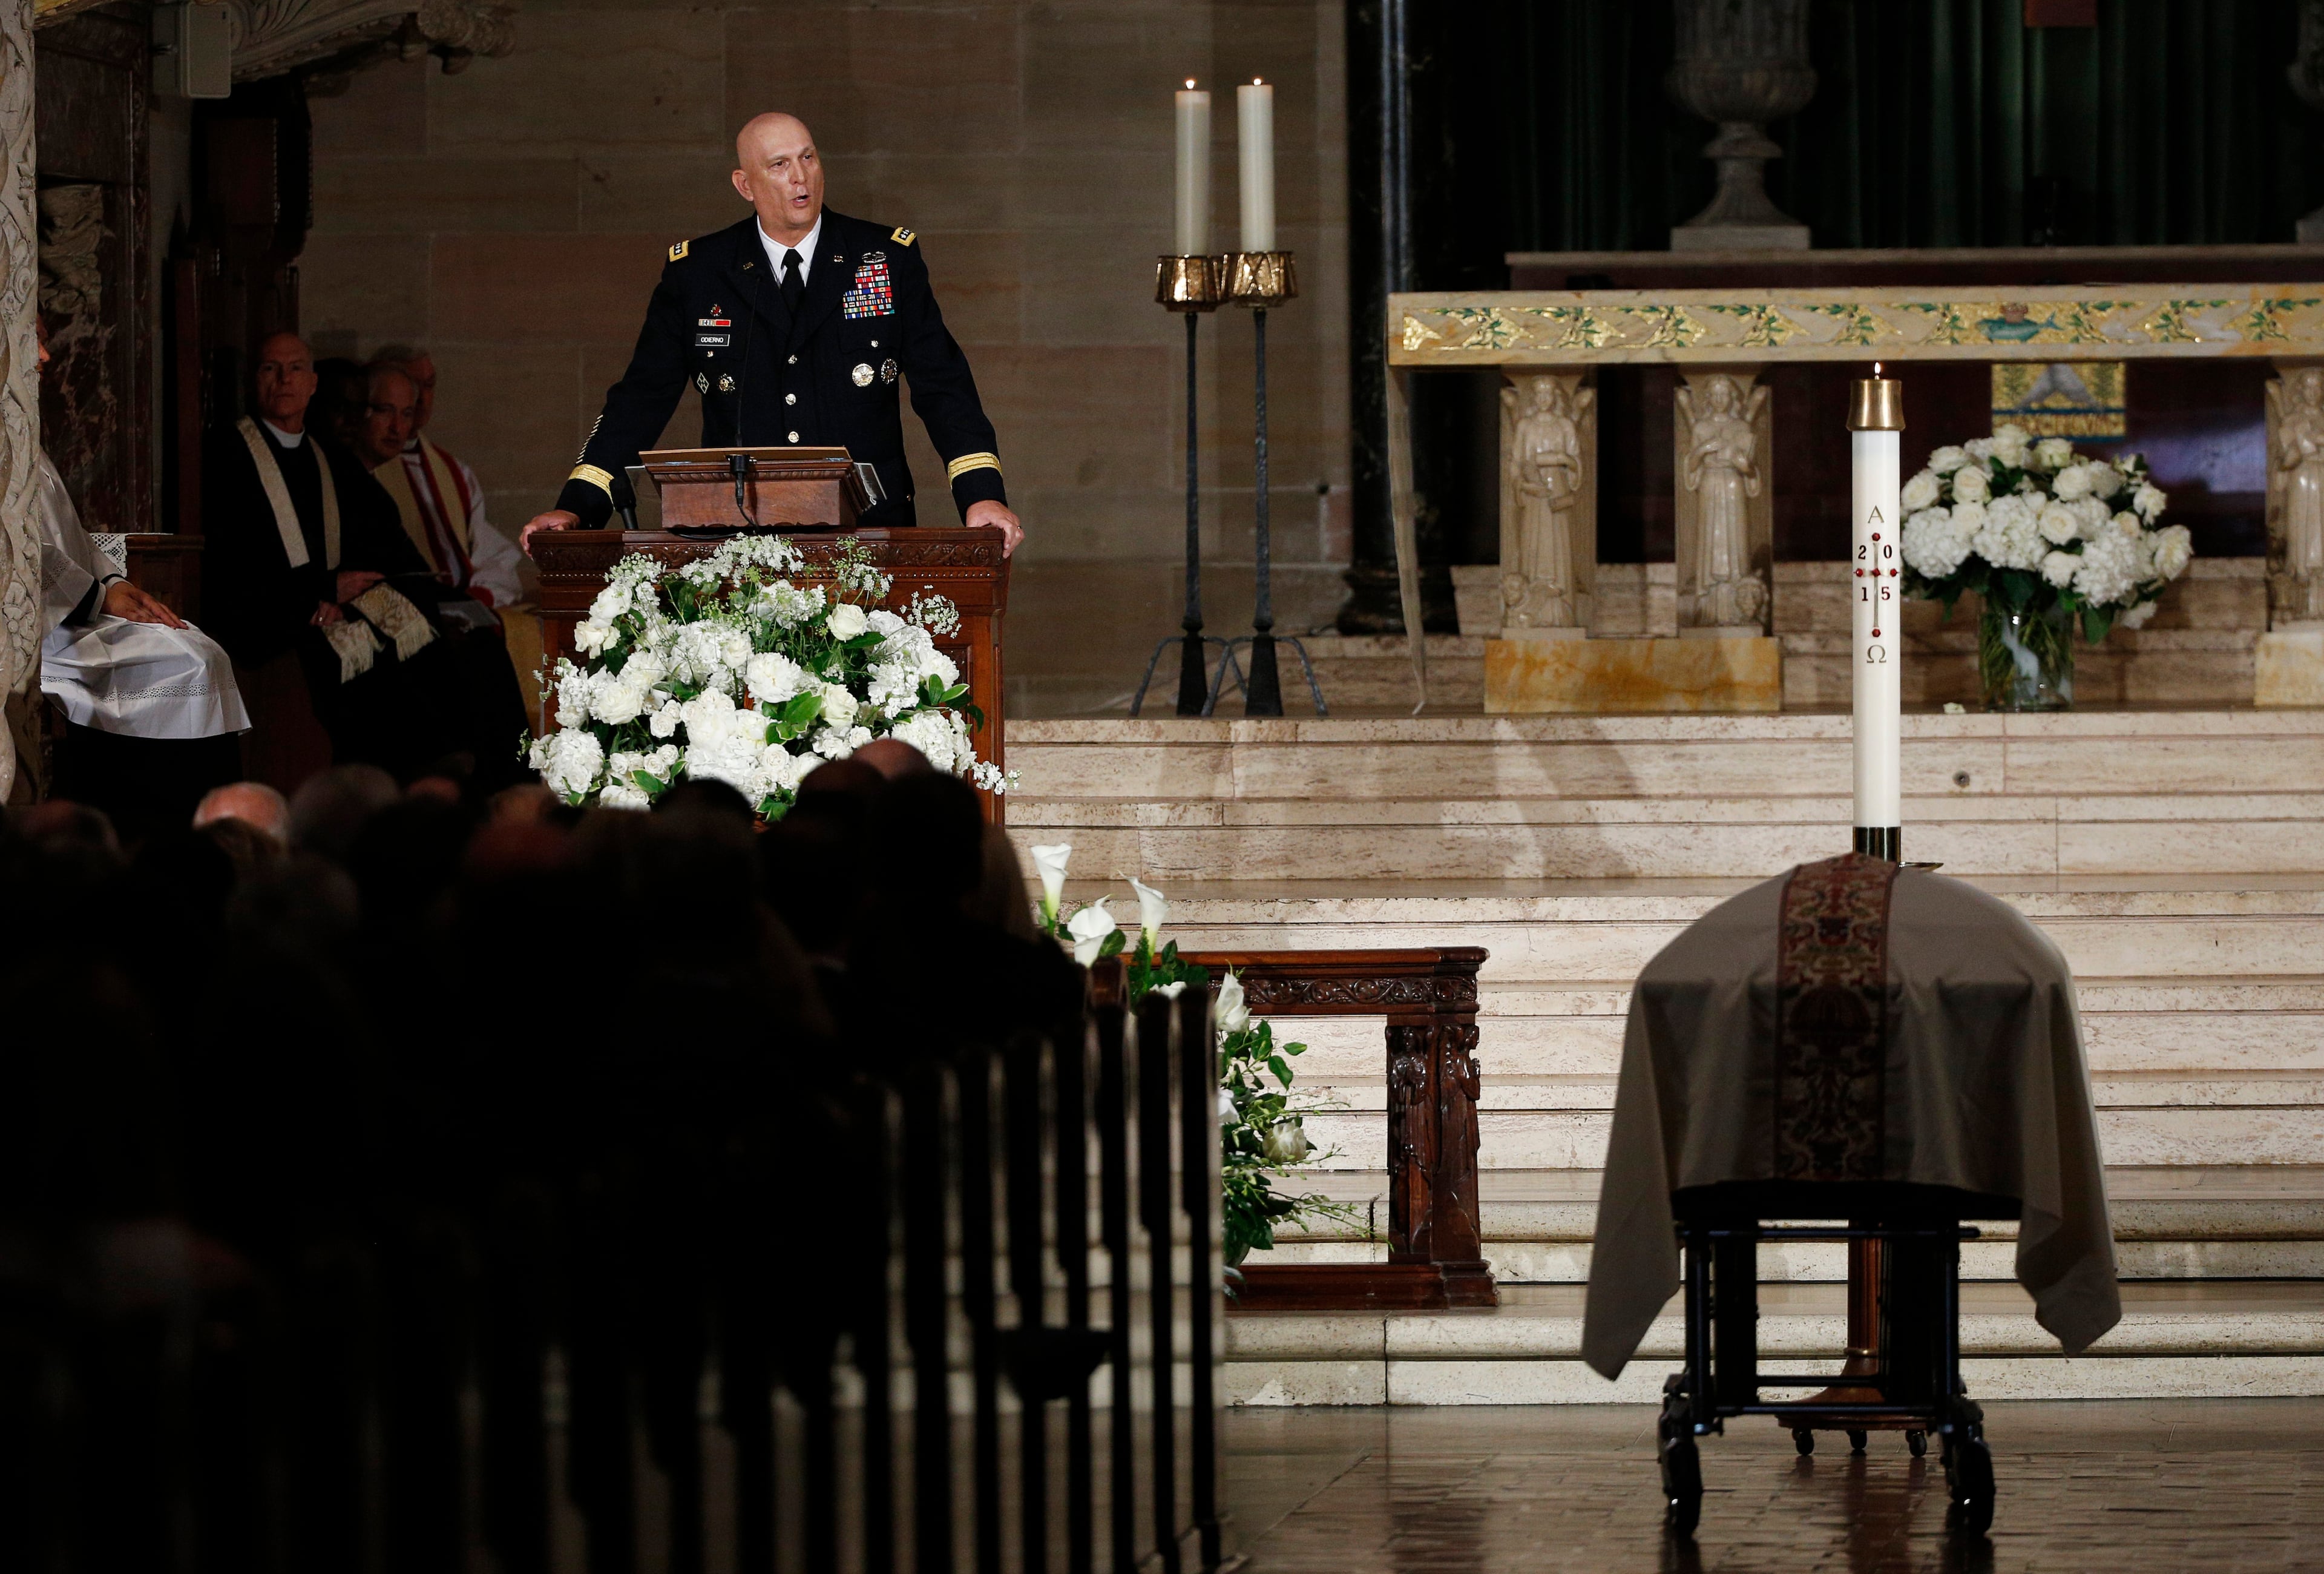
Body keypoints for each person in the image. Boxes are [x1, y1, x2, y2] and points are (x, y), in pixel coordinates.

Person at [519, 112, 1023, 557]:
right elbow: (640, 400)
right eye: (779, 165)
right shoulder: (699, 273)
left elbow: (945, 387)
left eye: (809, 158)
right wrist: (577, 507)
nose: (800, 177)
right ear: (745, 184)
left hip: (870, 536)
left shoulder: (886, 258)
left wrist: (982, 494)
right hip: (737, 541)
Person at [202, 333, 521, 785]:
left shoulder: (326, 456)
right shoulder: (229, 453)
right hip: (272, 612)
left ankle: (467, 769)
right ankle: (403, 774)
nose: (283, 380)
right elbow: (236, 556)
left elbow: (381, 542)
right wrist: (322, 591)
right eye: (270, 369)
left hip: (334, 600)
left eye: (295, 369)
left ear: (312, 384)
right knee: (372, 658)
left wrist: (354, 590)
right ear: (254, 381)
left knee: (448, 638)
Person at [33, 323, 248, 838]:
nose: (44, 356)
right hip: (41, 629)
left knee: (194, 645)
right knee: (185, 663)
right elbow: (17, 552)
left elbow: (69, 532)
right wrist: (96, 594)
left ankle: (204, 830)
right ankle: (155, 829)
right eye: (30, 339)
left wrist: (111, 580)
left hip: (71, 609)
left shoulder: (20, 432)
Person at [364, 347, 525, 610]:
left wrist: (476, 598)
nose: (422, 399)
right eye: (413, 385)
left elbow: (492, 557)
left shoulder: (453, 472)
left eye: (429, 386)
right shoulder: (365, 472)